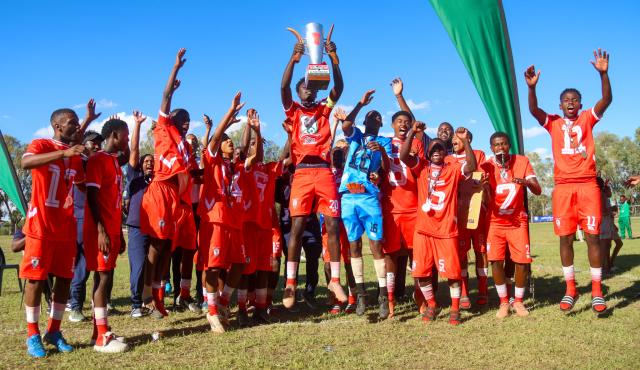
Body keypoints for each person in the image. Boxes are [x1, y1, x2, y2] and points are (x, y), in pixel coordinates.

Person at [525, 48, 612, 313]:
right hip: (563, 188)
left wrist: (604, 75)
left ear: (581, 104)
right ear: (560, 105)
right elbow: (533, 110)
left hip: (587, 185)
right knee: (565, 240)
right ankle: (570, 289)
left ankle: (597, 291)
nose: (571, 102)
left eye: (575, 99)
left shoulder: (587, 119)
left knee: (593, 237)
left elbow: (607, 99)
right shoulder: (552, 122)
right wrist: (531, 89)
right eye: (566, 100)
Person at [20, 101, 98, 358]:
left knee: (65, 278)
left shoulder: (74, 155)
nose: (77, 127)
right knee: (36, 279)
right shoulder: (42, 144)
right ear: (57, 126)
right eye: (72, 123)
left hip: (65, 227)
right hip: (41, 224)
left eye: (78, 123)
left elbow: (80, 182)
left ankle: (54, 330)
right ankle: (33, 334)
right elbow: (26, 163)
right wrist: (63, 154)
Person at [279, 30, 347, 309]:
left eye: (311, 86)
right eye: (303, 87)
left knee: (332, 224)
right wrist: (293, 60)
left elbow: (339, 88)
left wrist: (333, 58)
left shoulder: (323, 109)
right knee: (296, 226)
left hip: (324, 171)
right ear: (299, 92)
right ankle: (291, 284)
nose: (308, 90)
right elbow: (282, 88)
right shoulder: (293, 110)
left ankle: (334, 279)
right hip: (303, 173)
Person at [400, 122, 477, 325]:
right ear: (427, 152)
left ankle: (454, 309)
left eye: (439, 148)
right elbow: (403, 156)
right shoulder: (421, 167)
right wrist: (412, 133)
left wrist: (465, 141)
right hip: (423, 231)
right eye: (432, 148)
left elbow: (472, 166)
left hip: (446, 230)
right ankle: (432, 304)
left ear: (445, 152)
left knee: (452, 273)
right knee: (421, 273)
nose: (436, 151)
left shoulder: (452, 169)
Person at [139, 48, 195, 317]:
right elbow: (164, 97)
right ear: (173, 119)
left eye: (188, 122)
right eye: (183, 120)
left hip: (175, 196)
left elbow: (191, 174)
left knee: (167, 247)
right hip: (160, 189)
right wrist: (175, 69)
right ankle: (147, 295)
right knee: (156, 245)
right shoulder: (164, 127)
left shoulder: (185, 146)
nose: (186, 125)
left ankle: (160, 293)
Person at [335, 90, 392, 319]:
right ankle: (361, 295)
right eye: (369, 116)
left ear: (380, 123)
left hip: (369, 198)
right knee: (354, 246)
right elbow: (346, 124)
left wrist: (383, 156)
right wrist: (360, 104)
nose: (373, 118)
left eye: (377, 117)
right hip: (349, 196)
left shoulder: (384, 141)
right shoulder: (356, 135)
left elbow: (387, 169)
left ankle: (382, 296)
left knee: (377, 246)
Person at [198, 92, 246, 333]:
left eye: (231, 142)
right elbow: (216, 136)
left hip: (234, 220)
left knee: (239, 264)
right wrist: (229, 112)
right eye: (228, 141)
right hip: (215, 218)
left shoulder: (233, 166)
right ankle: (213, 311)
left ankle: (224, 302)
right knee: (213, 266)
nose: (231, 143)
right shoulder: (212, 159)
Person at [481, 132, 541, 318]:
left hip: (517, 221)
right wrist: (483, 188)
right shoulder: (486, 166)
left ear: (509, 145)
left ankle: (519, 301)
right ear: (491, 148)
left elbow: (538, 190)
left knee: (522, 262)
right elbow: (486, 201)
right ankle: (504, 302)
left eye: (504, 144)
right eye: (497, 145)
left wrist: (526, 183)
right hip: (495, 222)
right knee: (496, 261)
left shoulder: (522, 161)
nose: (501, 148)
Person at [84, 118, 129, 353]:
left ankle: (97, 331)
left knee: (106, 277)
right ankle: (102, 337)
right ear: (114, 135)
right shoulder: (97, 160)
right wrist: (101, 230)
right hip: (99, 229)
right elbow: (92, 197)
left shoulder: (113, 161)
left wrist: (118, 233)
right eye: (126, 135)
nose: (128, 139)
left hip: (112, 228)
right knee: (102, 279)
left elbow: (114, 200)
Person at [380, 78, 421, 314]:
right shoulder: (384, 143)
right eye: (399, 122)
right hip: (392, 207)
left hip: (414, 208)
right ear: (393, 125)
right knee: (391, 254)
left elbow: (413, 120)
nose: (404, 124)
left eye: (407, 121)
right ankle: (391, 300)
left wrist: (399, 96)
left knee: (417, 254)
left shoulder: (416, 143)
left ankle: (420, 295)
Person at [448, 130, 488, 308]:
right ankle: (464, 293)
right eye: (454, 137)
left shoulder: (478, 154)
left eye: (459, 137)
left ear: (468, 139)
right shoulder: (448, 159)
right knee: (461, 253)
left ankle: (483, 290)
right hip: (458, 213)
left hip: (477, 210)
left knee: (480, 251)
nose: (454, 139)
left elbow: (482, 173)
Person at [67, 130, 103, 323]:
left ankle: (95, 302)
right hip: (80, 217)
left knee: (93, 263)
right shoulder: (79, 162)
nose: (97, 146)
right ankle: (75, 306)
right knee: (81, 264)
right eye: (93, 143)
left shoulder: (98, 163)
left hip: (94, 219)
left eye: (100, 143)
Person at [124, 111, 153, 318]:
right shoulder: (135, 177)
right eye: (146, 161)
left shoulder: (159, 180)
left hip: (156, 227)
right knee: (139, 264)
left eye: (152, 161)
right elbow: (134, 151)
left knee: (154, 265)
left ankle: (151, 299)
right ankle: (136, 304)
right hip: (137, 226)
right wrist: (138, 125)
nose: (150, 163)